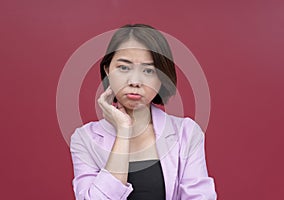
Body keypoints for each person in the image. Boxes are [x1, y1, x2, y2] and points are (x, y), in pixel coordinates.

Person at [70, 24, 217, 200]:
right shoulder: (84, 138)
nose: (135, 81)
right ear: (108, 70)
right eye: (124, 68)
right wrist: (124, 132)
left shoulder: (186, 132)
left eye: (148, 70)